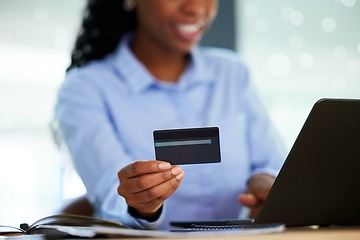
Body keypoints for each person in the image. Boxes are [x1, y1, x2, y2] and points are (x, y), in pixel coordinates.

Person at [56, 0, 286, 230]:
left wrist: (266, 182)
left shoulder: (233, 73)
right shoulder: (85, 89)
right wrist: (140, 203)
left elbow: (275, 164)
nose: (196, 7)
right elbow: (111, 193)